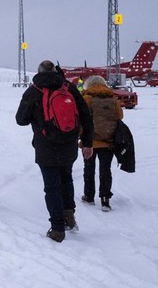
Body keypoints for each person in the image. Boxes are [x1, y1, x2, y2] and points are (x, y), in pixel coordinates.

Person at [15, 60, 93, 243]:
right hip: (69, 144)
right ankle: (69, 216)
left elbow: (20, 119)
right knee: (66, 179)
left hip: (45, 146)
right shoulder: (69, 88)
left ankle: (57, 228)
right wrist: (87, 142)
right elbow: (86, 116)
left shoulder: (33, 91)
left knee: (51, 186)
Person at [81, 75, 123, 211]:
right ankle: (105, 199)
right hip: (108, 141)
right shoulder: (112, 99)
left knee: (89, 168)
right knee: (105, 170)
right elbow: (120, 116)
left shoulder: (87, 98)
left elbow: (82, 118)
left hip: (90, 141)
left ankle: (89, 195)